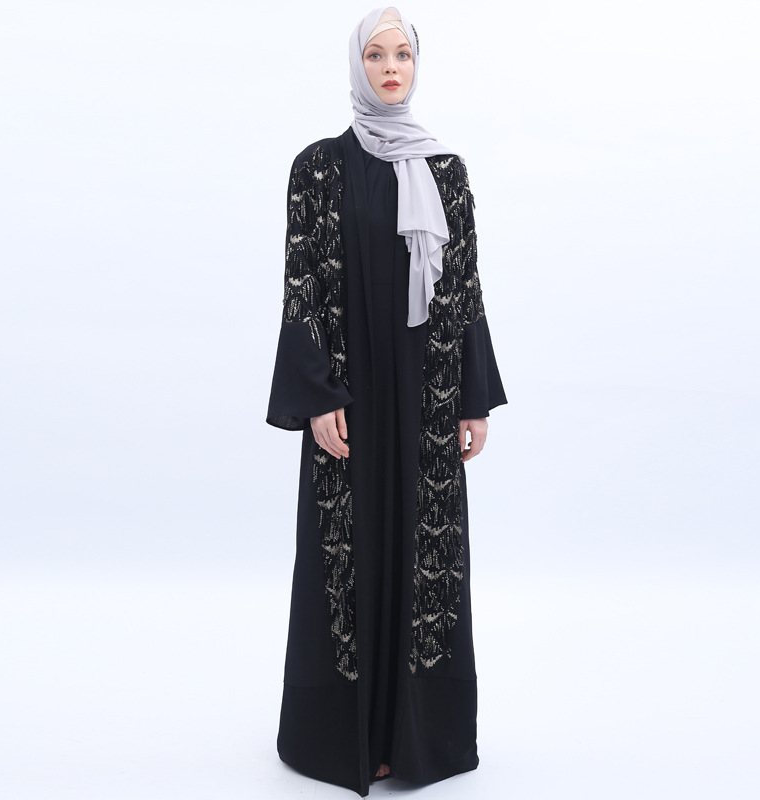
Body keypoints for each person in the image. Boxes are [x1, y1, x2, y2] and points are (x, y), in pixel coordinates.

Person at [266, 7, 507, 796]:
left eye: (403, 53)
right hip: (348, 401)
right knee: (346, 551)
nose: (391, 66)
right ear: (357, 65)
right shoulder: (317, 168)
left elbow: (464, 290)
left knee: (423, 557)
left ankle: (417, 736)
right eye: (376, 54)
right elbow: (301, 285)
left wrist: (471, 401)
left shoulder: (446, 173)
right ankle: (344, 736)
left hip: (426, 401)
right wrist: (316, 396)